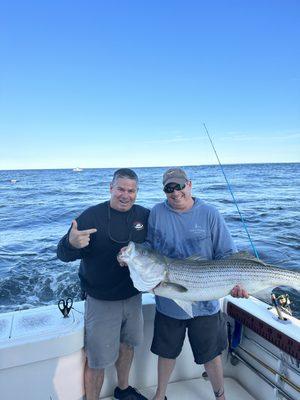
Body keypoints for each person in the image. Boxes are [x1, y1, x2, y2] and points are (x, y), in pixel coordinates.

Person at [145, 167, 248, 400]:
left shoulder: (210, 213)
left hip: (206, 301)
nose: (175, 192)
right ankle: (160, 396)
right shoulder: (157, 213)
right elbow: (149, 250)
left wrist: (237, 283)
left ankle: (220, 397)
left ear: (189, 185)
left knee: (211, 356)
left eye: (179, 185)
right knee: (166, 353)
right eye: (169, 187)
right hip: (169, 300)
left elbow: (226, 254)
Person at [57, 168, 149, 400]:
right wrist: (71, 243)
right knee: (97, 358)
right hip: (101, 300)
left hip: (133, 296)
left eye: (131, 190)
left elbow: (158, 248)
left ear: (137, 192)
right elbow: (62, 254)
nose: (125, 195)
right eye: (120, 189)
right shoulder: (92, 216)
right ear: (111, 188)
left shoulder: (144, 216)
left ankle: (124, 389)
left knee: (127, 346)